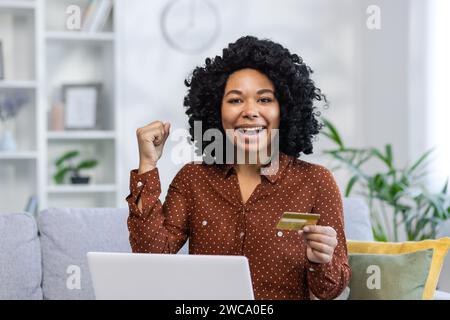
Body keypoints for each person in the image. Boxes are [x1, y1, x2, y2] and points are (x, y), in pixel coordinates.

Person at [126, 35, 351, 300]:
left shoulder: (316, 182)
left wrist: (321, 260)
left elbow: (330, 291)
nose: (250, 111)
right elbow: (151, 258)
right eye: (235, 100)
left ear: (285, 110)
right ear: (216, 111)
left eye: (265, 100)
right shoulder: (193, 179)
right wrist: (147, 165)